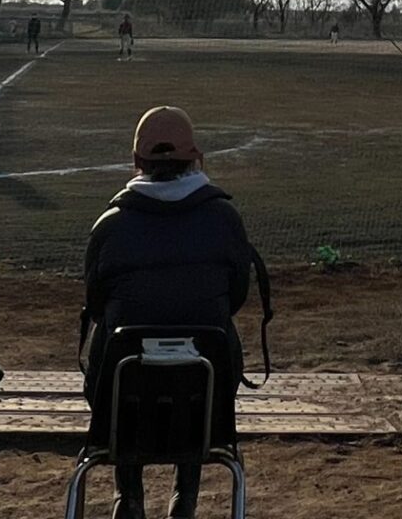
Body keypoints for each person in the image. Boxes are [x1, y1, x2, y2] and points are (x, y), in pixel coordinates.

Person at [83, 107, 254, 519]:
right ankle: (185, 494)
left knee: (114, 343)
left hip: (122, 404)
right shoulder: (225, 220)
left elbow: (96, 304)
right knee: (209, 338)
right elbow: (236, 298)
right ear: (195, 158)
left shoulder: (110, 226)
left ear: (136, 160)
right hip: (205, 404)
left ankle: (128, 494)